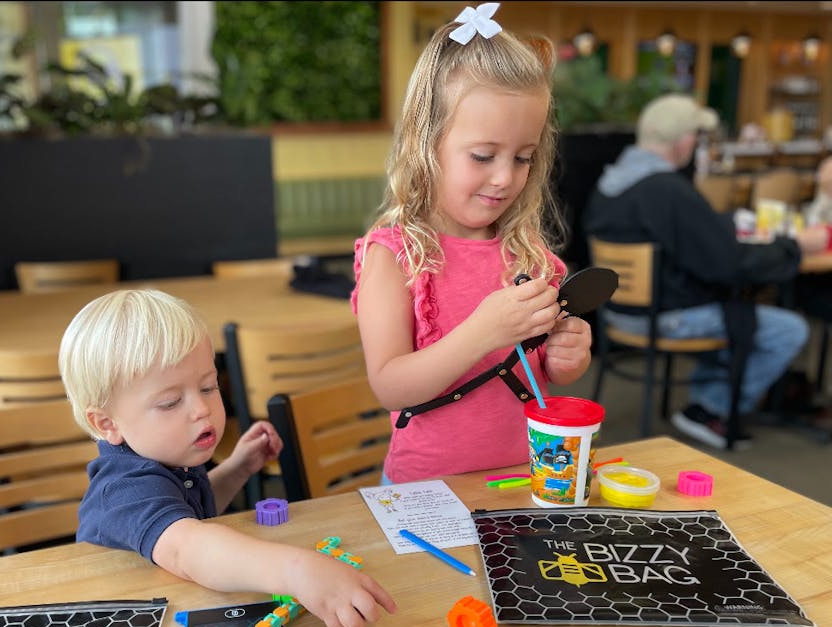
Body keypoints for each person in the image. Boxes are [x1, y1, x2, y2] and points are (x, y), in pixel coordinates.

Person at [58, 289, 397, 627]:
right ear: (108, 424)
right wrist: (298, 571)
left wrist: (237, 469)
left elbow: (186, 513)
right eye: (171, 402)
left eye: (208, 387)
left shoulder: (165, 453)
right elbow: (188, 547)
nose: (201, 409)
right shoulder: (124, 487)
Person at [351, 4, 592, 484]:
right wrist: (483, 331)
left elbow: (543, 371)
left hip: (529, 480)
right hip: (428, 490)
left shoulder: (531, 258)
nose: (505, 178)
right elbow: (390, 386)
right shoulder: (395, 256)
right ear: (427, 142)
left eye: (523, 157)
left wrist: (569, 357)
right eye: (483, 155)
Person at [584, 93, 827, 450]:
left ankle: (709, 397)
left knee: (741, 317)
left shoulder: (612, 182)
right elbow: (726, 264)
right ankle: (710, 409)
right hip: (667, 317)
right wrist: (794, 247)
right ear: (685, 141)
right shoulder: (668, 190)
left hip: (618, 312)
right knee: (788, 330)